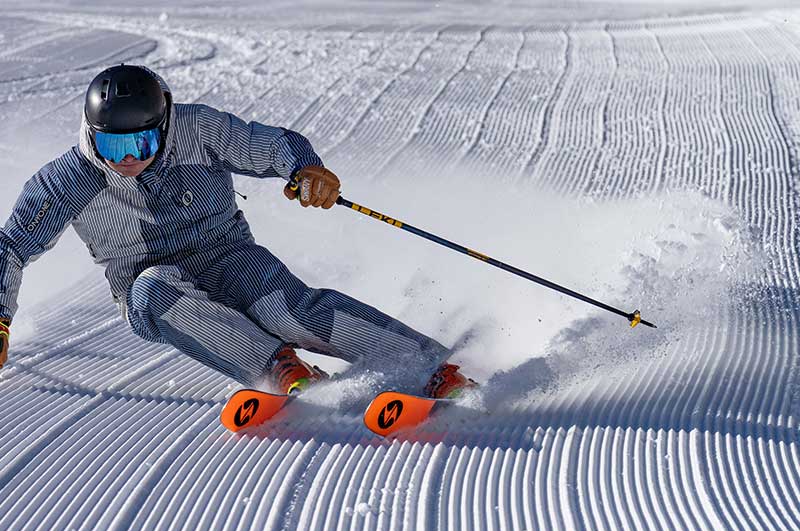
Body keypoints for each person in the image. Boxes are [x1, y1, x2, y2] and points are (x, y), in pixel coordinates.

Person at [0, 64, 475, 399]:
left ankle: (431, 367)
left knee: (288, 310)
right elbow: (12, 246)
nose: (126, 158)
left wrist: (303, 168)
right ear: (91, 132)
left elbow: (266, 144)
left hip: (228, 256)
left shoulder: (196, 129)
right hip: (151, 282)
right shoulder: (67, 180)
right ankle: (278, 368)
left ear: (162, 126)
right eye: (111, 143)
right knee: (151, 290)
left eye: (140, 141)